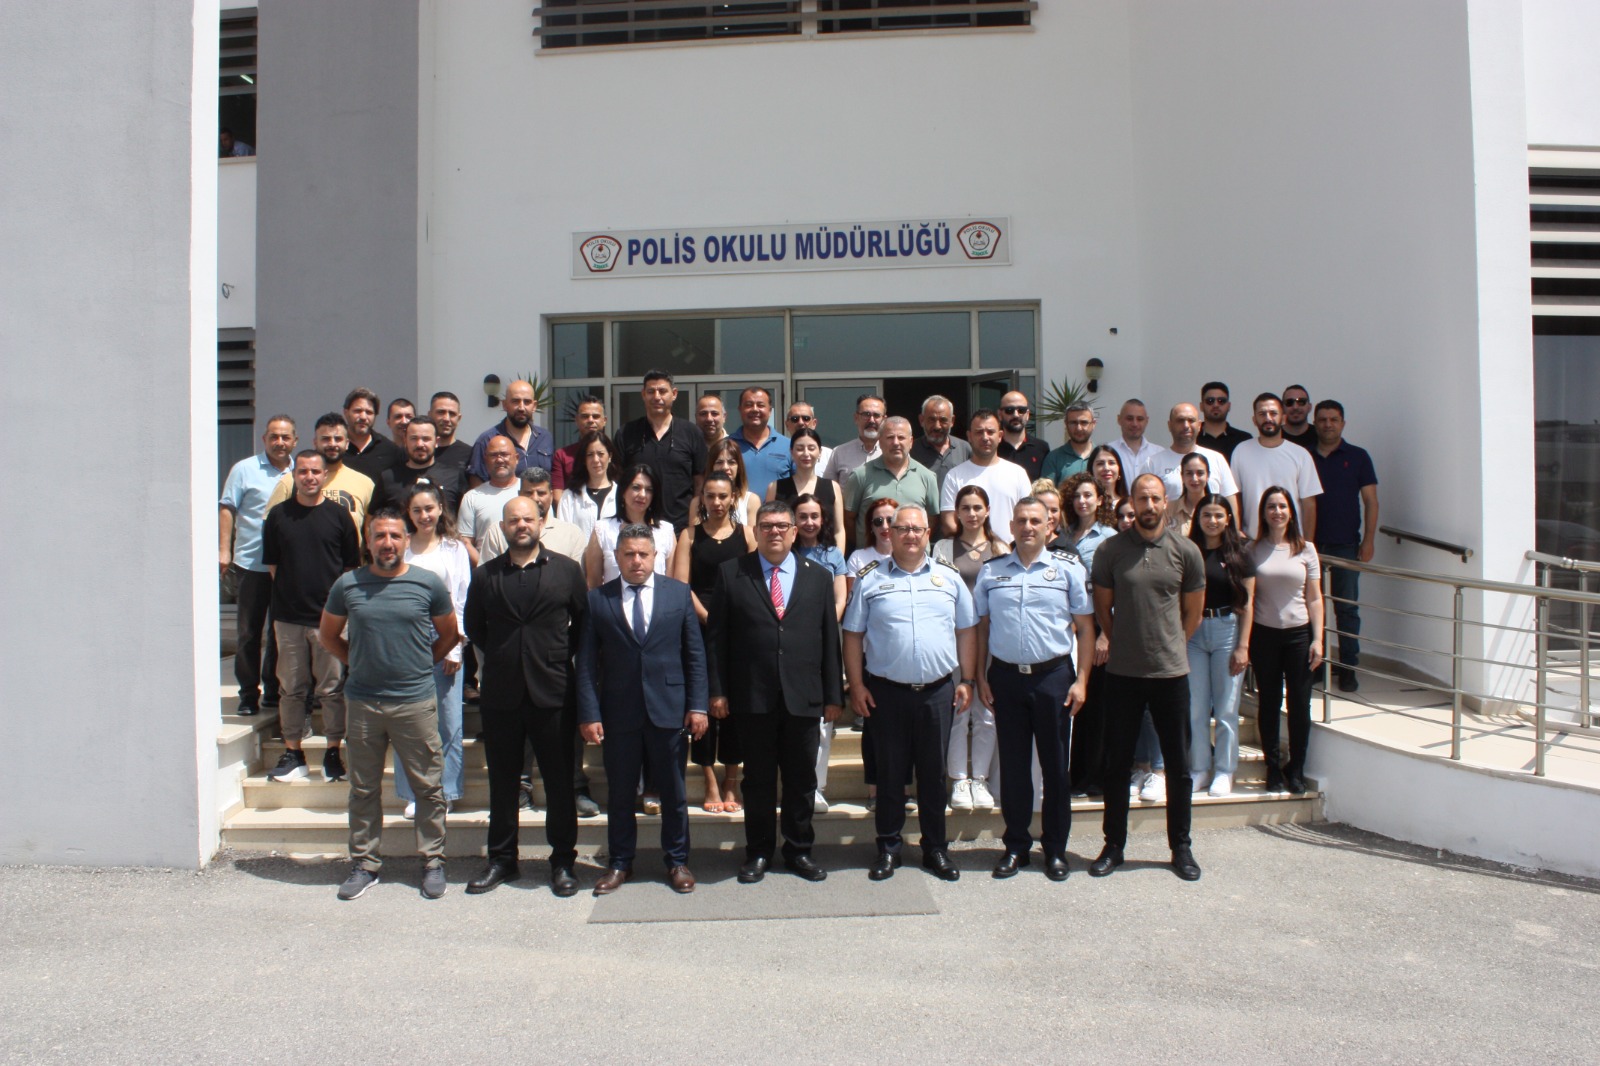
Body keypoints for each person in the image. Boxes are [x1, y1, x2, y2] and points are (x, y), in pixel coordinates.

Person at [319, 508, 459, 901]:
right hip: (364, 703)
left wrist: (420, 665)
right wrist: (357, 662)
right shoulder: (348, 584)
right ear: (368, 541)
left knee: (428, 787)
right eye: (379, 535)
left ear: (406, 539)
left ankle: (432, 861)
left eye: (395, 535)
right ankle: (365, 864)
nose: (387, 543)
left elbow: (449, 634)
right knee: (363, 788)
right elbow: (328, 636)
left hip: (414, 702)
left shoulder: (427, 583)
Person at [708, 500, 844, 884]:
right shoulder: (732, 573)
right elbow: (716, 640)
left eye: (782, 526)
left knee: (802, 780)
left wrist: (833, 695)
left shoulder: (819, 577)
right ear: (755, 531)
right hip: (753, 696)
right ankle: (759, 852)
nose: (775, 532)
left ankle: (799, 851)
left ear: (794, 531)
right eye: (766, 526)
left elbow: (828, 639)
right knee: (758, 781)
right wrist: (717, 691)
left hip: (804, 695)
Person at [843, 504, 977, 882]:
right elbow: (852, 635)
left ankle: (936, 848)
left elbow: (967, 629)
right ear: (891, 533)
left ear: (928, 534)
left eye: (917, 529)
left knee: (933, 775)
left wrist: (967, 680)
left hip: (937, 692)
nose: (910, 536)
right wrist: (857, 685)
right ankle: (889, 847)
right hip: (886, 693)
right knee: (889, 774)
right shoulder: (870, 579)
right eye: (902, 529)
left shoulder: (948, 578)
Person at [463, 495, 588, 898]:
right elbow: (475, 627)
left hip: (553, 692)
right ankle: (502, 859)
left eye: (528, 519)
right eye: (513, 520)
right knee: (502, 782)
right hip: (501, 694)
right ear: (502, 527)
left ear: (540, 522)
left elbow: (582, 625)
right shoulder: (486, 576)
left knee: (559, 783)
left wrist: (552, 655)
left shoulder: (567, 570)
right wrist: (505, 657)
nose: (521, 525)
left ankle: (563, 862)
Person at [575, 524, 708, 896]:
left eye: (643, 554)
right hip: (619, 711)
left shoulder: (678, 594)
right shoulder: (597, 600)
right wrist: (589, 713)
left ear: (656, 556)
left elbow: (694, 655)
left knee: (674, 792)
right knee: (620, 793)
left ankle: (677, 861)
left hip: (669, 709)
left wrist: (698, 705)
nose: (636, 561)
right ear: (617, 557)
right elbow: (586, 663)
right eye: (629, 554)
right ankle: (620, 862)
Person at [1089, 473, 1206, 882]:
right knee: (1117, 763)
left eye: (1156, 498)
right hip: (1123, 672)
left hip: (1170, 673)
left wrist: (1170, 645)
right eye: (1143, 498)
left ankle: (1181, 847)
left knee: (1178, 766)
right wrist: (1124, 642)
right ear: (1132, 502)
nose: (1150, 505)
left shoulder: (1186, 551)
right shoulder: (1111, 550)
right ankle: (1113, 845)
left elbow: (1193, 613)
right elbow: (1103, 609)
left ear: (1165, 501)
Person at [974, 498, 1094, 880]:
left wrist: (1082, 680)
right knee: (1013, 767)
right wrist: (980, 677)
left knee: (1055, 768)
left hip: (1053, 678)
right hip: (1007, 678)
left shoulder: (1068, 570)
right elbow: (982, 628)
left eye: (1035, 521)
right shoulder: (991, 572)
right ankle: (1016, 846)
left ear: (1048, 527)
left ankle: (1055, 849)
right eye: (1022, 520)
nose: (1028, 527)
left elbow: (1086, 628)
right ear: (1011, 526)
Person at [260, 450, 361, 783]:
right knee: (291, 689)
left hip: (329, 620)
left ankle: (333, 753)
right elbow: (273, 566)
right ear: (294, 476)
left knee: (331, 689)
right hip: (288, 618)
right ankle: (293, 753)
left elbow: (349, 568)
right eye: (302, 471)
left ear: (324, 475)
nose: (309, 477)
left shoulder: (340, 516)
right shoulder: (278, 516)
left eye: (315, 471)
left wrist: (336, 611)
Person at [672, 472, 755, 815]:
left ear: (733, 497)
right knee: (702, 702)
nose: (717, 502)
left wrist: (730, 620)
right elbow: (681, 584)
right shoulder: (689, 535)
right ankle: (708, 778)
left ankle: (731, 778)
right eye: (710, 496)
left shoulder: (746, 534)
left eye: (723, 496)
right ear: (702, 499)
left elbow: (756, 581)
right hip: (699, 624)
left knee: (734, 703)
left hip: (739, 629)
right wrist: (708, 617)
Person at [393, 484, 472, 820]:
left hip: (443, 635)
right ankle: (413, 792)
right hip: (404, 639)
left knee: (448, 720)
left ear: (440, 509)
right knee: (406, 720)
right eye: (417, 510)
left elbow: (461, 598)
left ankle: (446, 791)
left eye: (429, 508)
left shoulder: (454, 548)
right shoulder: (401, 546)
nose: (424, 515)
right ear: (408, 514)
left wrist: (455, 645)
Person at [933, 485, 1008, 814]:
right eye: (965, 507)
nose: (972, 513)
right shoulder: (943, 547)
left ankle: (980, 779)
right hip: (954, 640)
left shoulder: (1001, 548)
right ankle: (959, 780)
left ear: (987, 510)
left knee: (986, 711)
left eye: (978, 507)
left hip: (992, 639)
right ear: (957, 513)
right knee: (958, 710)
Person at [1250, 487, 1325, 796]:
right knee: (1269, 702)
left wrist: (1318, 639)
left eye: (1282, 506)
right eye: (1271, 506)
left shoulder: (1306, 549)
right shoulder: (1253, 549)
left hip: (1298, 635)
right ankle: (1272, 766)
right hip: (1264, 634)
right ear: (1263, 513)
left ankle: (1296, 768)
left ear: (1291, 512)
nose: (1277, 512)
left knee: (1299, 704)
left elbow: (1315, 598)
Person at [220, 415, 296, 716]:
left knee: (279, 633)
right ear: (264, 439)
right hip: (251, 564)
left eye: (285, 437)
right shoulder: (245, 469)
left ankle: (273, 691)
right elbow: (227, 508)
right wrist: (223, 549)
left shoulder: (299, 471)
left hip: (287, 568)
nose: (280, 442)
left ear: (295, 441)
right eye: (274, 436)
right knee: (249, 633)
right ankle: (248, 694)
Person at [1185, 494, 1255, 798]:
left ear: (1228, 519)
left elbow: (1248, 604)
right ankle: (1200, 768)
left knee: (1226, 708)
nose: (1212, 521)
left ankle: (1225, 770)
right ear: (1198, 519)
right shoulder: (1189, 551)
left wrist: (1243, 646)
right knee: (1196, 708)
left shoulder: (1240, 553)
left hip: (1227, 629)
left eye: (1218, 515)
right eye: (1206, 515)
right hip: (1194, 633)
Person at [1310, 399, 1379, 692]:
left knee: (1347, 610)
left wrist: (1368, 540)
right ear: (1315, 423)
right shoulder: (1304, 456)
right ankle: (1316, 666)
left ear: (1343, 423)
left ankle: (1348, 668)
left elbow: (1371, 501)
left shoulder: (1358, 456)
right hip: (1310, 546)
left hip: (1346, 547)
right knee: (1312, 608)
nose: (1328, 424)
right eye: (1323, 419)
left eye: (1333, 419)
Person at [1055, 473, 1117, 798]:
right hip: (1068, 628)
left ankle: (1094, 778)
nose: (1082, 501)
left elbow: (1113, 590)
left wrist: (1106, 635)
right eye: (1077, 496)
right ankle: (1073, 775)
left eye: (1088, 495)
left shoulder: (1109, 537)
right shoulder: (1064, 534)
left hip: (1096, 626)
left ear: (1100, 500)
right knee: (1073, 703)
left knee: (1096, 706)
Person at [792, 493, 850, 813]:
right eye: (803, 516)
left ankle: (817, 786)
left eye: (814, 516)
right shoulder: (784, 553)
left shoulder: (833, 554)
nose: (809, 522)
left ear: (823, 519)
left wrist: (823, 628)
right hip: (790, 642)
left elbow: (840, 599)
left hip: (824, 641)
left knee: (823, 721)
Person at [616, 370, 707, 533]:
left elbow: (700, 482)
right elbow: (618, 479)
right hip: (636, 528)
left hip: (681, 529)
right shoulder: (626, 433)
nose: (656, 397)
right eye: (651, 391)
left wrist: (694, 524)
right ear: (643, 395)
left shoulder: (691, 433)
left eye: (662, 391)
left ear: (674, 394)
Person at [266, 413, 376, 543]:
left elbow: (372, 532)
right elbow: (270, 529)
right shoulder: (291, 481)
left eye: (338, 439)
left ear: (347, 443)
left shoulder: (365, 483)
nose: (332, 444)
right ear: (315, 442)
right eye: (326, 439)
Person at [1230, 393, 1323, 538]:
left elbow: (1309, 504)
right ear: (1254, 420)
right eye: (1262, 414)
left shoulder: (1300, 455)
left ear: (1283, 418)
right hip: (1252, 541)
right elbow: (1235, 496)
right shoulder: (1241, 451)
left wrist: (1308, 544)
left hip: (1292, 542)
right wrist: (1237, 531)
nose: (1268, 418)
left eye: (1273, 413)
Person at [844, 416, 939, 550]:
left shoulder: (927, 477)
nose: (895, 443)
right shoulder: (860, 475)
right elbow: (848, 519)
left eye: (901, 437)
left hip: (913, 558)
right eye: (890, 437)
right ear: (880, 441)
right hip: (871, 558)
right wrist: (865, 544)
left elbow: (931, 520)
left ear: (911, 442)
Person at [939, 409, 1033, 539]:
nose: (985, 438)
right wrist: (973, 546)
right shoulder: (954, 476)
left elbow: (1028, 514)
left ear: (1000, 436)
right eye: (979, 432)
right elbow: (949, 522)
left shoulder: (1018, 473)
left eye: (990, 432)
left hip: (1010, 550)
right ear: (969, 436)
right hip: (968, 550)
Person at [584, 464, 677, 587]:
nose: (642, 495)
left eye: (649, 490)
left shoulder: (666, 531)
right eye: (636, 488)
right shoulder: (602, 530)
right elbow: (593, 582)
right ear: (623, 491)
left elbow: (671, 584)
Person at [1152, 403, 1240, 516]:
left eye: (1191, 420)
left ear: (1199, 425)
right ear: (1169, 425)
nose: (1186, 425)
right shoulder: (1153, 463)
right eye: (1180, 420)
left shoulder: (1217, 459)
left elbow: (1231, 506)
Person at [768, 426, 845, 552]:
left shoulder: (833, 487)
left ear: (820, 452)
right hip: (787, 557)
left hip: (826, 557)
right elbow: (769, 524)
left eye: (811, 448)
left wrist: (838, 559)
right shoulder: (775, 487)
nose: (806, 453)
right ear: (791, 452)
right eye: (799, 449)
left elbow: (839, 530)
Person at [468, 378, 555, 487]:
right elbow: (477, 482)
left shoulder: (545, 437)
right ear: (505, 405)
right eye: (515, 401)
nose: (521, 408)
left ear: (534, 406)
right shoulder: (487, 440)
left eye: (527, 402)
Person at [371, 416, 467, 515]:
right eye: (414, 438)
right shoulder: (388, 478)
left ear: (436, 442)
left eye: (426, 439)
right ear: (405, 440)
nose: (420, 444)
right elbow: (372, 520)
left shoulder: (454, 477)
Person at [456, 433, 520, 563]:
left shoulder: (530, 492)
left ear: (516, 458)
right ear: (485, 460)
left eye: (504, 454)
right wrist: (485, 568)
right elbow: (465, 542)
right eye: (494, 455)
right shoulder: (472, 497)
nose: (499, 460)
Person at [554, 429, 619, 542]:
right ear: (584, 459)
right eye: (590, 455)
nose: (596, 460)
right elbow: (564, 538)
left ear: (610, 456)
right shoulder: (569, 497)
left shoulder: (622, 495)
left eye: (601, 454)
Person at [729, 386, 792, 497]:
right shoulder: (727, 446)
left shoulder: (789, 446)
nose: (755, 409)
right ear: (740, 409)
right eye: (749, 405)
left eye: (760, 405)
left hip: (777, 508)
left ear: (770, 411)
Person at [550, 394, 607, 506]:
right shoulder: (562, 455)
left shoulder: (612, 453)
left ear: (604, 420)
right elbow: (557, 497)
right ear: (576, 420)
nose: (590, 420)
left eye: (595, 416)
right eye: (585, 416)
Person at [911, 394, 972, 492]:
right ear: (921, 420)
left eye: (943, 420)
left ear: (952, 421)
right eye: (931, 420)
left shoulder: (964, 448)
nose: (937, 426)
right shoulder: (911, 450)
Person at [336, 388, 399, 484]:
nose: (363, 417)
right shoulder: (335, 447)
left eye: (369, 412)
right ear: (346, 412)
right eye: (358, 411)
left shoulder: (390, 450)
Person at [821, 393, 886, 482]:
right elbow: (827, 487)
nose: (871, 420)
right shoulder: (839, 453)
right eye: (866, 414)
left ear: (884, 419)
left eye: (876, 415)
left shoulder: (892, 452)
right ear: (856, 418)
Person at [704, 437, 763, 527]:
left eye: (731, 462)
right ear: (712, 466)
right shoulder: (699, 503)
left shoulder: (751, 500)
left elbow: (753, 535)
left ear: (739, 467)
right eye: (719, 462)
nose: (725, 467)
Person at [996, 390, 1048, 481]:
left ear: (1027, 415)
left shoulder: (1041, 448)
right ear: (1000, 415)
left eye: (1021, 410)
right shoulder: (993, 448)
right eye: (1009, 410)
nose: (1016, 415)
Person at [1041, 401, 1097, 485]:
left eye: (1084, 422)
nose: (1079, 428)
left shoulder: (1101, 457)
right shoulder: (1054, 458)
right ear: (1066, 424)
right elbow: (1046, 491)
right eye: (1073, 423)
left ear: (1093, 424)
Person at [1108, 399, 1163, 481]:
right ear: (1119, 419)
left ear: (1147, 421)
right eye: (1129, 418)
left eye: (1140, 419)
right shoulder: (1108, 452)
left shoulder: (1159, 453)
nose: (1135, 424)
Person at [1197, 381, 1253, 460]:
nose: (1215, 405)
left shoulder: (1243, 440)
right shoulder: (1192, 438)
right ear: (1201, 406)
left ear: (1229, 406)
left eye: (1221, 401)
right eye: (1210, 401)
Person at [427, 392, 473, 478]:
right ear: (429, 415)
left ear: (459, 418)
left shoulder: (470, 455)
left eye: (452, 414)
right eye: (441, 412)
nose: (446, 419)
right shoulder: (420, 452)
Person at [1166, 452, 1213, 536]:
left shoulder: (1217, 508)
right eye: (1189, 473)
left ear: (1208, 475)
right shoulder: (1168, 509)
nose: (1194, 479)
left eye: (1200, 473)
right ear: (1182, 476)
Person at [783, 401, 834, 472]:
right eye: (795, 419)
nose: (800, 422)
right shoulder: (780, 454)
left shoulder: (829, 457)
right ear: (787, 425)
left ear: (814, 423)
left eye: (806, 418)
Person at [1279, 384, 1317, 449]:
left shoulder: (1320, 436)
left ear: (1309, 407)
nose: (1295, 407)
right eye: (1289, 402)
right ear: (1282, 408)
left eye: (1301, 402)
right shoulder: (1274, 436)